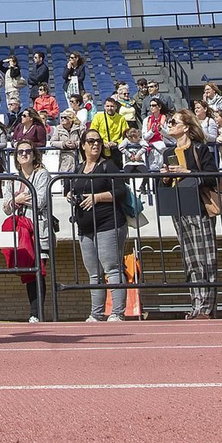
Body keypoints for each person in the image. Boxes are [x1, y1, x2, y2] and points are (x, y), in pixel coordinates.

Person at [164, 106, 220, 320]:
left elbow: (211, 175)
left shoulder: (199, 149)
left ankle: (206, 306)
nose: (170, 125)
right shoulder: (168, 153)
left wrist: (187, 172)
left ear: (186, 127)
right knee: (190, 258)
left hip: (198, 206)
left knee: (206, 257)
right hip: (178, 207)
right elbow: (165, 185)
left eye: (174, 122)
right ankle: (196, 304)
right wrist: (165, 177)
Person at [66, 129, 126, 322]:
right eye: (91, 141)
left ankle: (117, 312)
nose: (95, 145)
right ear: (83, 145)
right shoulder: (78, 168)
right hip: (85, 227)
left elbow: (120, 191)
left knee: (112, 268)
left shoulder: (109, 165)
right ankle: (96, 313)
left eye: (98, 141)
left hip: (108, 222)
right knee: (94, 273)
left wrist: (97, 197)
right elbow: (70, 188)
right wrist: (69, 195)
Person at [2, 141, 53, 322]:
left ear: (34, 154)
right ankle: (34, 312)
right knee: (28, 272)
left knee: (38, 270)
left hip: (39, 229)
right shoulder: (12, 178)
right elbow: (6, 207)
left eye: (27, 151)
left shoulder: (42, 174)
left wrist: (17, 199)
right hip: (20, 231)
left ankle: (36, 312)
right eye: (20, 152)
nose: (24, 154)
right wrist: (20, 198)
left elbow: (40, 200)